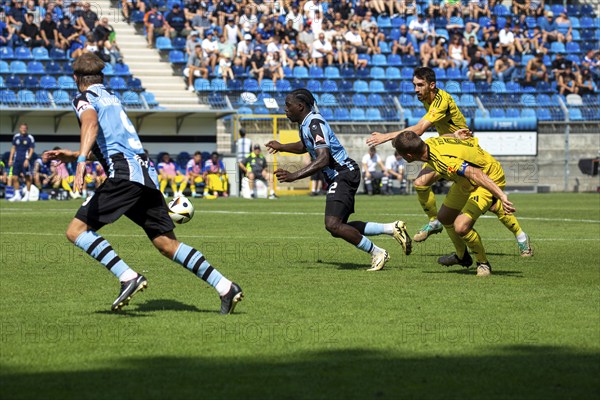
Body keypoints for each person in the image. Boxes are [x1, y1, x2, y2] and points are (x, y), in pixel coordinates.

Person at [42, 53, 242, 313]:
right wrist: (72, 155)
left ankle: (128, 276)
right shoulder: (112, 98)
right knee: (166, 243)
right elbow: (111, 144)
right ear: (101, 77)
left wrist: (80, 161)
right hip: (146, 174)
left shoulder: (84, 98)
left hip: (124, 175)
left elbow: (90, 124)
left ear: (76, 79)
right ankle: (226, 287)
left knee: (76, 230)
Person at [367, 67, 532, 256]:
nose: (416, 89)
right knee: (420, 182)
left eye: (420, 85)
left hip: (464, 151)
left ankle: (520, 237)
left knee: (491, 202)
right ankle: (435, 222)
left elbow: (419, 129)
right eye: (414, 85)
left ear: (432, 85)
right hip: (446, 148)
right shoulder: (427, 100)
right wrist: (451, 135)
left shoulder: (441, 101)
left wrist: (386, 136)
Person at [264, 89, 412, 271]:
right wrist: (282, 147)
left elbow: (323, 158)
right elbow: (306, 145)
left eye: (288, 105)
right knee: (338, 227)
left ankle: (378, 252)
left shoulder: (314, 123)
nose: (285, 109)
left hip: (343, 173)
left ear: (300, 106)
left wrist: (294, 175)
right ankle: (391, 228)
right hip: (342, 174)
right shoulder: (306, 123)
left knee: (333, 225)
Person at [392, 131, 532, 276]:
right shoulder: (430, 142)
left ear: (408, 156)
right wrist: (455, 135)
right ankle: (462, 256)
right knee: (445, 218)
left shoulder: (445, 162)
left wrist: (501, 195)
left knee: (461, 226)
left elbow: (476, 174)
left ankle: (483, 264)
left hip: (488, 177)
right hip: (466, 181)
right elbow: (443, 138)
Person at [7, 123, 35, 202]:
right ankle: (17, 195)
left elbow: (31, 150)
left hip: (25, 160)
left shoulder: (30, 138)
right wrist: (10, 159)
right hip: (17, 160)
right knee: (14, 177)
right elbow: (13, 148)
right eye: (22, 128)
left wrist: (27, 159)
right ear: (19, 128)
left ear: (27, 129)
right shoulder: (16, 137)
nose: (23, 129)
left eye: (25, 128)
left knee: (27, 177)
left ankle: (27, 196)